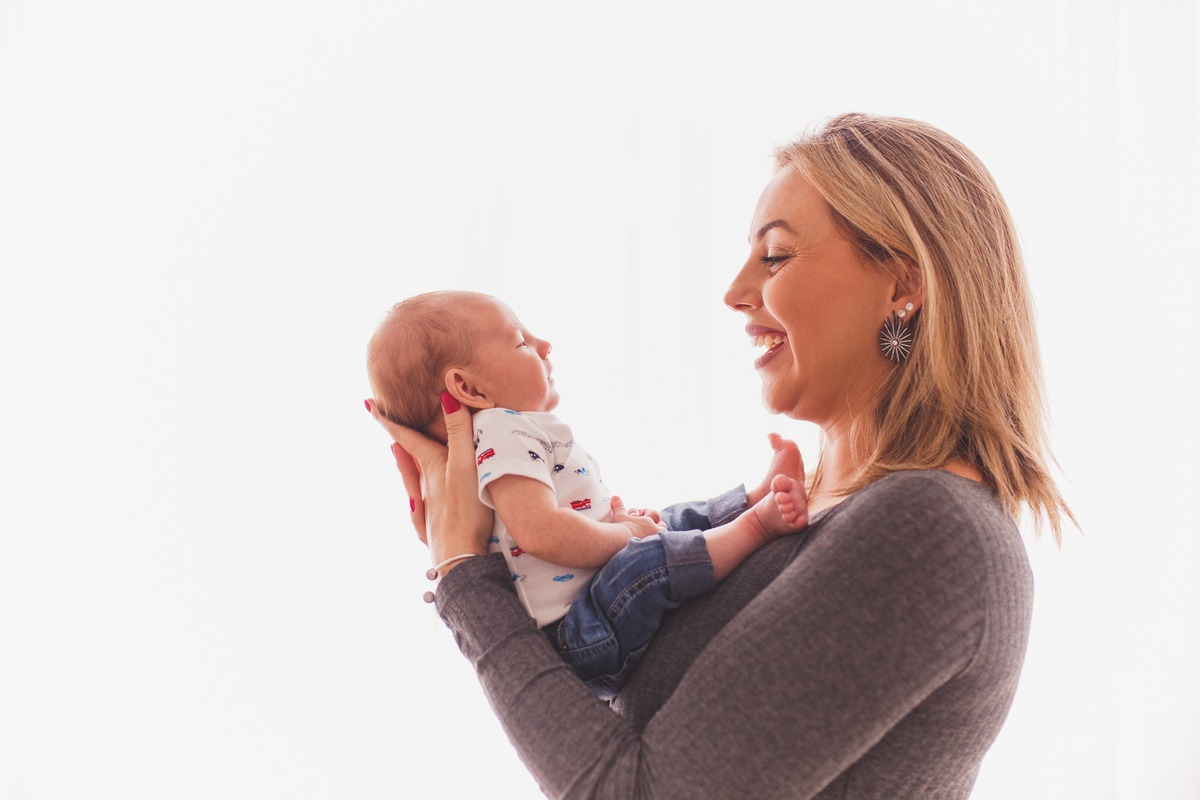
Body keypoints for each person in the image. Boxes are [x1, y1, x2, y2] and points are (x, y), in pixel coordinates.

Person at [367, 113, 1074, 799]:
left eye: (775, 255)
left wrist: (468, 577)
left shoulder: (930, 529)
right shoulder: (818, 512)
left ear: (902, 284)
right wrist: (493, 547)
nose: (735, 293)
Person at [365, 292, 808, 697]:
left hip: (589, 613)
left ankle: (751, 497)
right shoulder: (501, 428)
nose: (545, 345)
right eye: (521, 342)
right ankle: (756, 523)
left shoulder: (504, 435)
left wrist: (623, 527)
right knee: (648, 555)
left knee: (667, 520)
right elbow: (539, 531)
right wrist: (627, 537)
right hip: (578, 632)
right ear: (470, 389)